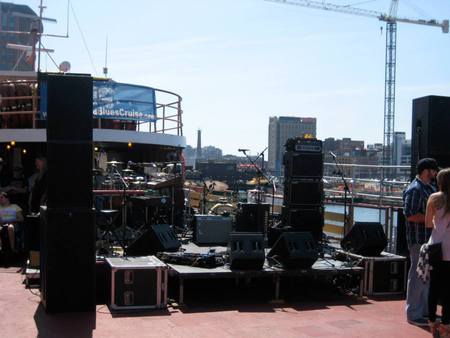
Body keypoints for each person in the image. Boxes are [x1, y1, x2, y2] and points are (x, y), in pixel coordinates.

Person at [403, 158, 439, 326]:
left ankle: (424, 311)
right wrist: (432, 219)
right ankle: (413, 313)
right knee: (417, 276)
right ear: (427, 170)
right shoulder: (415, 189)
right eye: (433, 170)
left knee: (426, 276)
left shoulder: (430, 188)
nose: (435, 173)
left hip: (429, 239)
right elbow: (410, 214)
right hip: (418, 239)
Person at [425, 168, 450, 337]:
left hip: (436, 246)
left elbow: (428, 223)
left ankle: (432, 322)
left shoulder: (434, 198)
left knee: (433, 287)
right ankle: (447, 325)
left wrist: (437, 221)